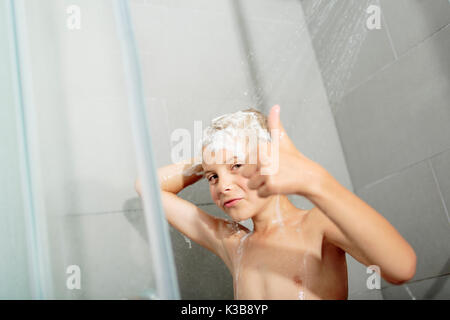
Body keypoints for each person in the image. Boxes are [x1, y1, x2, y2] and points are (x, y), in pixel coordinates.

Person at [135, 105, 416, 299]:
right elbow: (145, 186)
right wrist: (212, 156)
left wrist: (317, 182)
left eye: (237, 166)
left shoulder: (317, 226)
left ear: (269, 159)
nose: (223, 186)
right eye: (212, 178)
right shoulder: (232, 243)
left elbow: (401, 268)